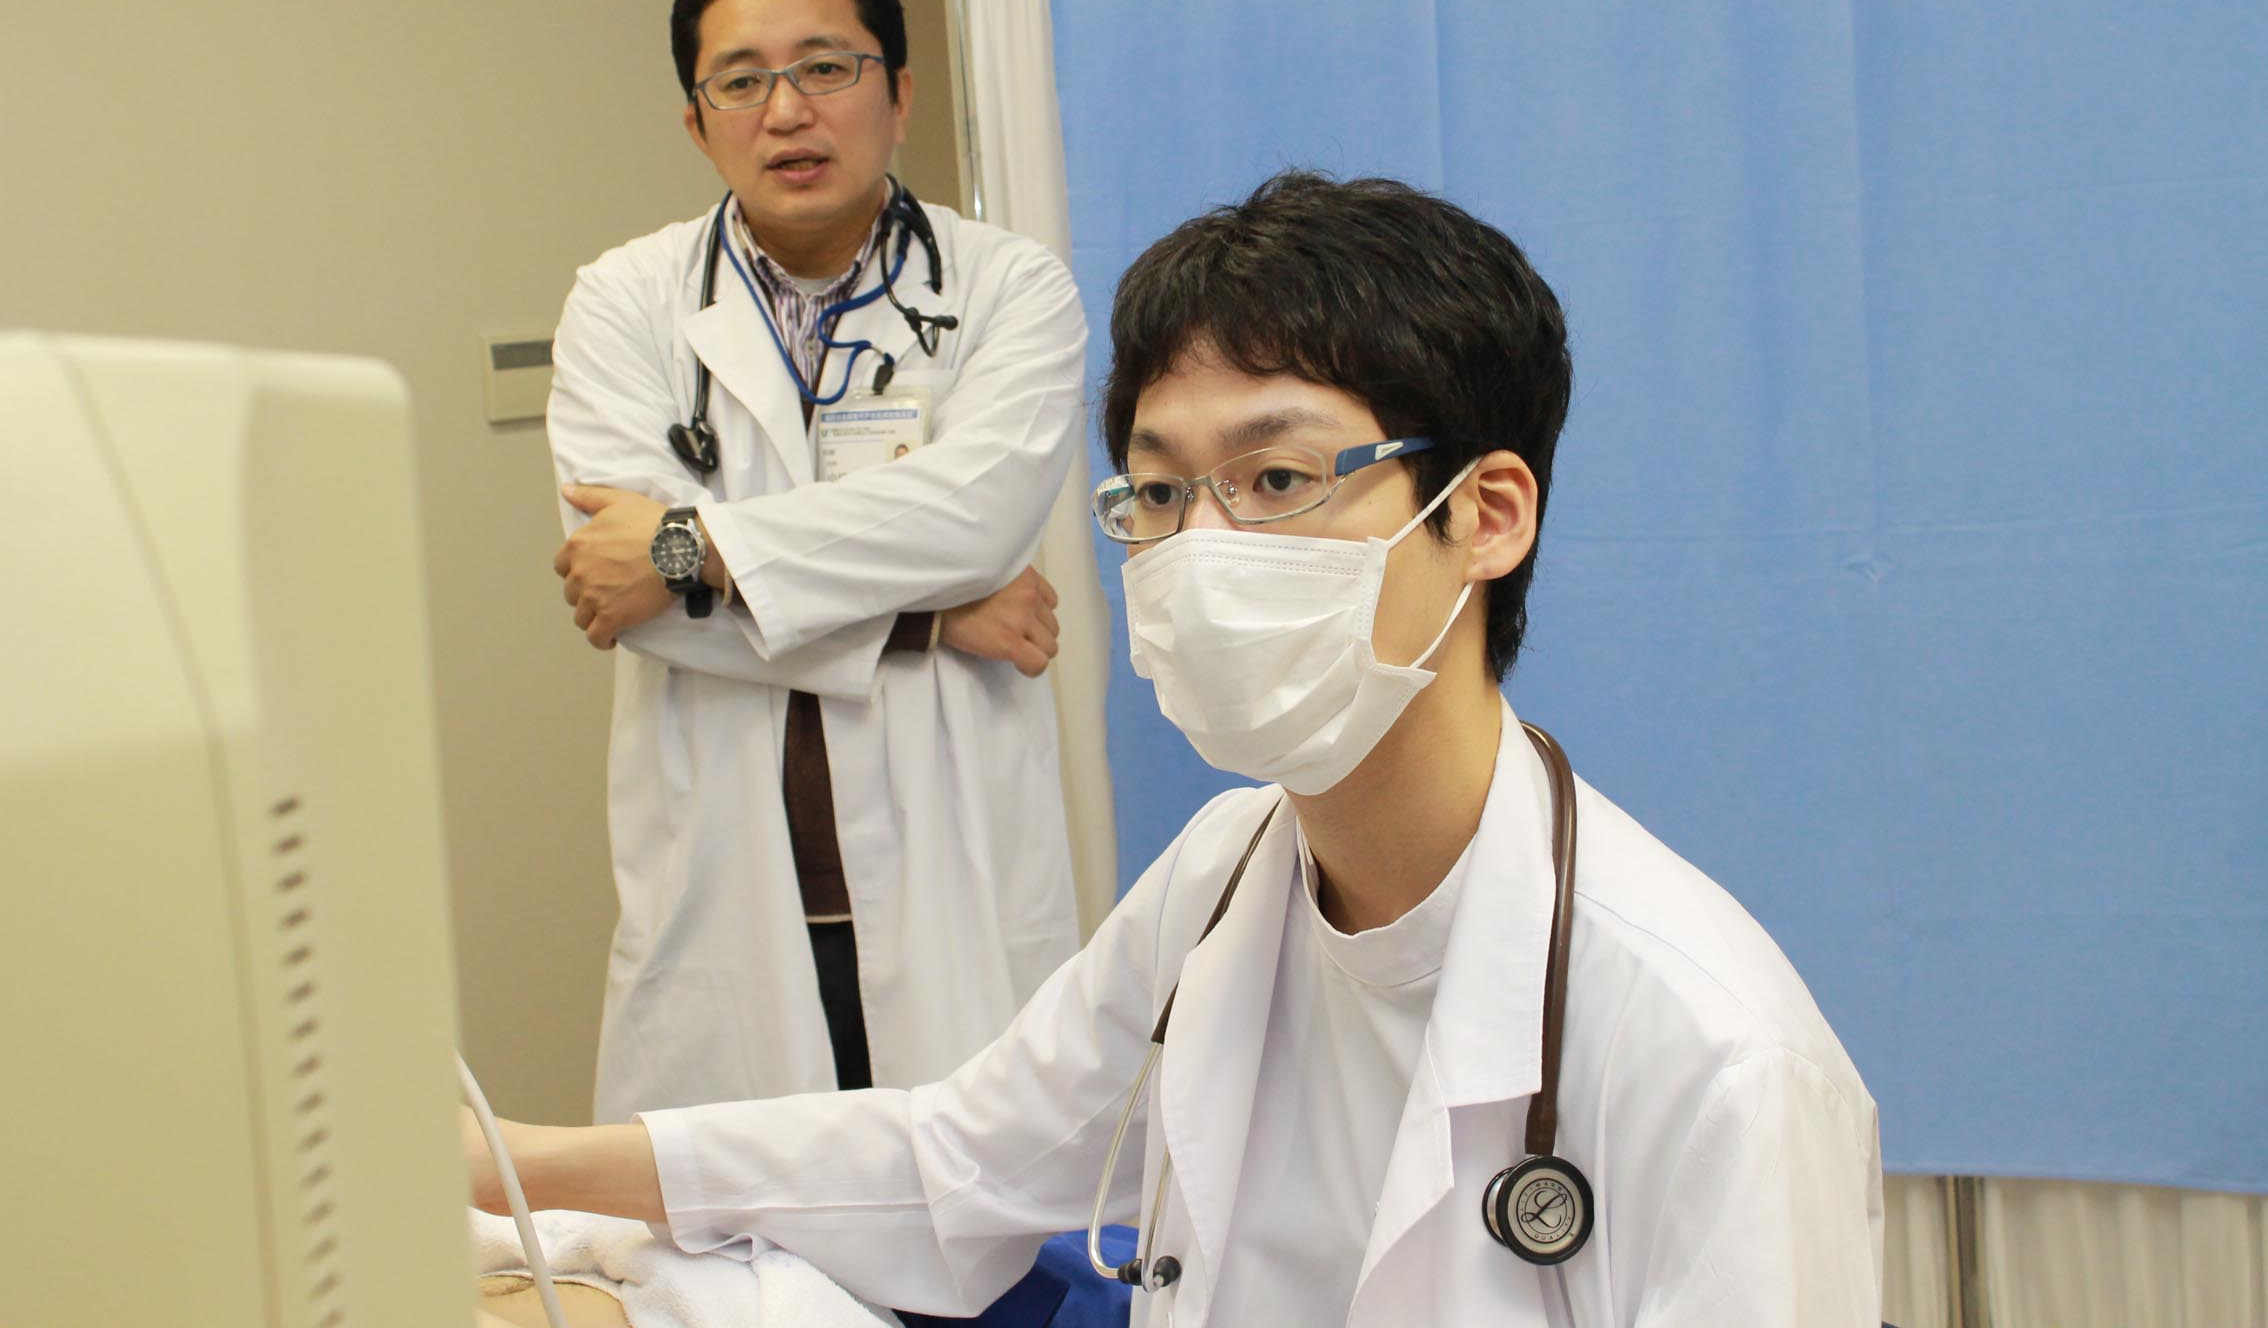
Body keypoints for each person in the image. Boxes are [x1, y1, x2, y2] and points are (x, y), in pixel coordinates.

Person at [485, 173, 1885, 1325]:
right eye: (1157, 494)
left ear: (1488, 515)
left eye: (1277, 478)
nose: (1202, 553)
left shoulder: (1715, 1055)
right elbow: (956, 1165)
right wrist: (515, 1166)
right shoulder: (1228, 875)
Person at [545, 0, 1085, 1121]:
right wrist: (932, 623)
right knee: (729, 1222)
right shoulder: (624, 303)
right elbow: (631, 602)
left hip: (950, 873)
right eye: (741, 81)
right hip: (726, 886)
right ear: (697, 122)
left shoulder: (1009, 290)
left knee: (974, 1205)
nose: (786, 111)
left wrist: (688, 544)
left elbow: (976, 522)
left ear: (898, 94)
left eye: (825, 69)